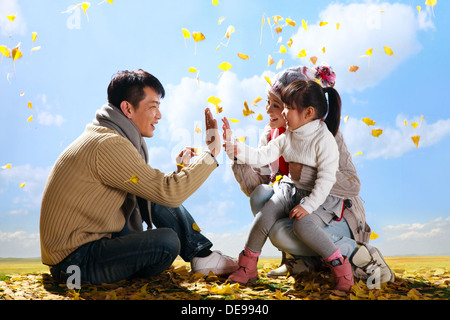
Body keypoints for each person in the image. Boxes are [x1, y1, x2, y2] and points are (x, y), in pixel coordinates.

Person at [40, 69, 238, 285]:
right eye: (153, 107)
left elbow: (152, 191)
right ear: (127, 108)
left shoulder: (107, 136)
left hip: (91, 245)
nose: (159, 115)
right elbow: (167, 192)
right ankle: (201, 256)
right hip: (74, 264)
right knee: (167, 242)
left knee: (155, 196)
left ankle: (202, 255)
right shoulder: (109, 145)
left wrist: (182, 171)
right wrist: (211, 154)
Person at [223, 65, 394, 290]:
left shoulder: (327, 135)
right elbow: (259, 165)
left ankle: (359, 256)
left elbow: (352, 184)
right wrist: (233, 150)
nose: (271, 111)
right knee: (261, 200)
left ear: (308, 111)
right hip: (292, 193)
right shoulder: (277, 134)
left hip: (332, 209)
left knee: (292, 229)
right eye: (271, 103)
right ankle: (252, 266)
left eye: (281, 105)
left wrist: (304, 175)